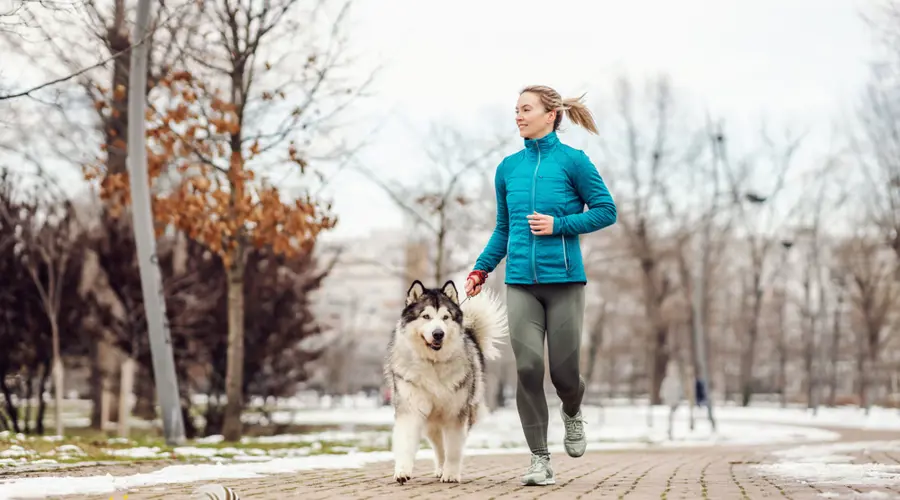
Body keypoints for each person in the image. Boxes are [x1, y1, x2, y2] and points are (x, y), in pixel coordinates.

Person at [465, 85, 617, 486]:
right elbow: (504, 229)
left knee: (564, 373)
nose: (518, 116)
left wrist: (560, 225)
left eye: (526, 109)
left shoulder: (574, 162)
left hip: (565, 281)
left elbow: (606, 210)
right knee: (529, 368)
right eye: (516, 109)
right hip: (520, 283)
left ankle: (572, 409)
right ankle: (539, 459)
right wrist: (481, 270)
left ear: (550, 115)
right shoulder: (507, 169)